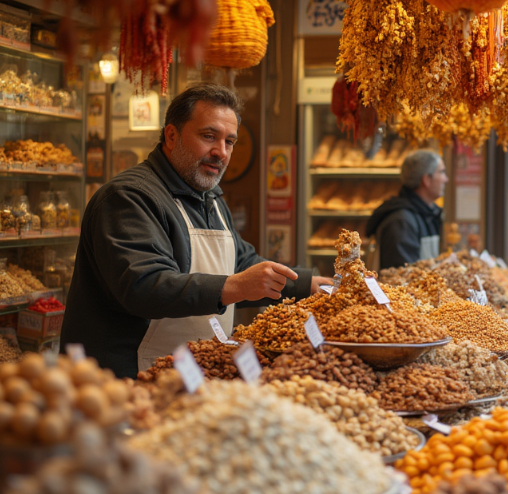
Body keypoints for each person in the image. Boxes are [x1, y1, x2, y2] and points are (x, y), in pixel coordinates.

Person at [61, 83, 331, 378]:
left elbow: (243, 266)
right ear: (171, 135)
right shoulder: (129, 197)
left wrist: (307, 284)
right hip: (124, 379)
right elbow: (145, 286)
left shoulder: (210, 198)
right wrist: (236, 286)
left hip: (186, 374)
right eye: (208, 136)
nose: (221, 152)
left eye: (230, 141)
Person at [365, 150, 448, 270]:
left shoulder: (430, 213)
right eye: (442, 172)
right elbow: (401, 275)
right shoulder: (401, 222)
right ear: (426, 180)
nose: (446, 179)